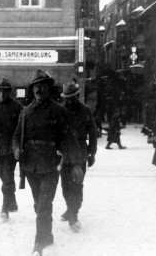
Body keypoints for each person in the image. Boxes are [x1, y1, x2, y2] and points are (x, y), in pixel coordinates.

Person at [12, 70, 82, 256]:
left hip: (51, 165)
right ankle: (48, 234)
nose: (38, 89)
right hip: (30, 166)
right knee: (38, 204)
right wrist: (16, 149)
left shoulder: (59, 111)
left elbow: (69, 138)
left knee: (43, 205)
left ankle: (39, 243)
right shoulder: (25, 112)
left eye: (42, 85)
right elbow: (17, 136)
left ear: (49, 88)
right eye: (35, 86)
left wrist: (75, 164)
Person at [59, 83, 97, 230]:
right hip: (64, 153)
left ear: (77, 96)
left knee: (76, 184)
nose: (68, 101)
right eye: (66, 98)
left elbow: (93, 133)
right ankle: (70, 208)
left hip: (80, 153)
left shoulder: (86, 111)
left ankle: (74, 214)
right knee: (64, 186)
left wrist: (92, 153)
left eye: (71, 98)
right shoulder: (61, 111)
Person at [0, 78, 23, 220]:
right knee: (2, 175)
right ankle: (12, 201)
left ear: (9, 91)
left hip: (11, 146)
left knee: (7, 177)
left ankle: (5, 207)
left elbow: (21, 129)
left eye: (4, 90)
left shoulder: (17, 107)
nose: (2, 93)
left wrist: (19, 146)